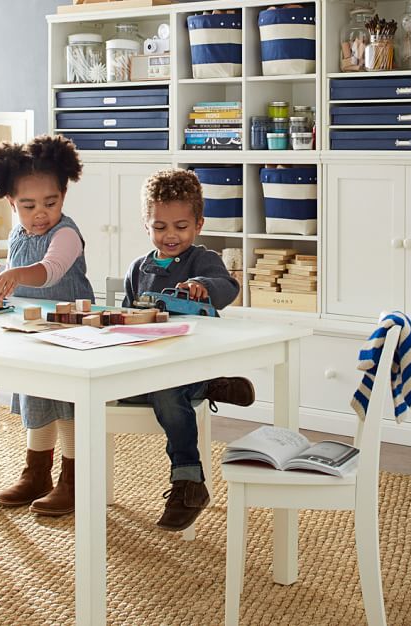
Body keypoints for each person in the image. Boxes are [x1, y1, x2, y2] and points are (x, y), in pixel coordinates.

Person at [122, 168, 255, 532]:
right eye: (160, 226)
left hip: (187, 362)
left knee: (166, 395)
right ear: (146, 225)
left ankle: (189, 483)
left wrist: (202, 285)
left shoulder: (203, 260)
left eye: (181, 226)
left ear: (198, 224)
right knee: (116, 391)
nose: (170, 236)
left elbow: (228, 288)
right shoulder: (139, 268)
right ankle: (212, 387)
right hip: (148, 359)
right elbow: (125, 314)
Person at [0, 134, 94, 517]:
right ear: (11, 202)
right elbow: (19, 280)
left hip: (70, 330)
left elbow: (51, 270)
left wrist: (16, 272)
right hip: (32, 332)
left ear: (64, 195)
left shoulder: (66, 234)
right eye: (28, 205)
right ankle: (36, 474)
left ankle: (74, 480)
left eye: (51, 202)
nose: (40, 213)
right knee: (36, 399)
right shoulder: (17, 235)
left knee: (67, 403)